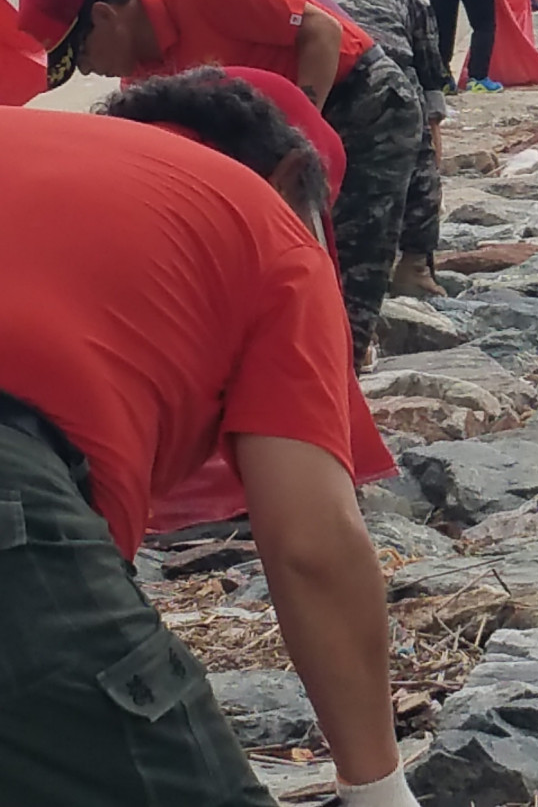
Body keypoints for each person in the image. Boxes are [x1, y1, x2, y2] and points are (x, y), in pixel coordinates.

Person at [0, 94, 419, 807]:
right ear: (293, 181)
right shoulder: (271, 231)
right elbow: (312, 544)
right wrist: (379, 790)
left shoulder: (37, 139)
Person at [18, 0, 423, 366]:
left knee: (348, 273)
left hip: (360, 100)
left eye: (83, 55)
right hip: (279, 150)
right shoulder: (140, 82)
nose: (88, 71)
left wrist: (299, 125)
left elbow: (323, 32)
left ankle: (343, 378)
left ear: (104, 17)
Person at [145, 0, 452, 297]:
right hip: (344, 36)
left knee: (402, 143)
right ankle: (405, 264)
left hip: (368, 40)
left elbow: (421, 93)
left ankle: (411, 265)